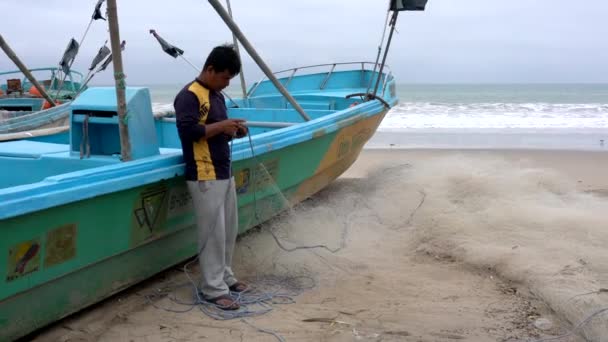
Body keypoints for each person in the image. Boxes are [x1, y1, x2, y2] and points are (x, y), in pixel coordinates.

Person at [173, 44, 248, 310]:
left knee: (229, 229)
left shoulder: (216, 95)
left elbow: (214, 129)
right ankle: (212, 288)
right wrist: (222, 126)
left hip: (224, 170)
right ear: (210, 69)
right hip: (204, 173)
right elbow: (189, 132)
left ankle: (226, 276)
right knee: (213, 233)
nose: (227, 84)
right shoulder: (189, 95)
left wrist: (233, 130)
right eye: (225, 77)